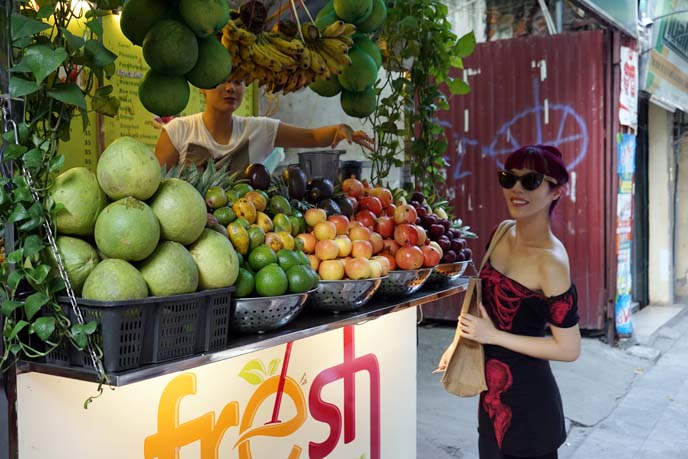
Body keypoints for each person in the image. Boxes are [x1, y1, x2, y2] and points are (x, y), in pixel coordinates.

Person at [437, 145, 581, 459]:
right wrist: (459, 339)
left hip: (531, 411)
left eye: (530, 181)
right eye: (508, 178)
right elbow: (481, 300)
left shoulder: (552, 263)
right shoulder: (501, 232)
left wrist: (493, 336)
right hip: (489, 403)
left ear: (556, 191)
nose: (516, 188)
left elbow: (569, 349)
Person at [154, 78, 375, 171]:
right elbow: (157, 185)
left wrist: (341, 129)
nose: (231, 88)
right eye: (224, 79)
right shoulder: (178, 131)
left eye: (239, 81)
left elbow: (311, 137)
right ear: (203, 86)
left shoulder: (260, 129)